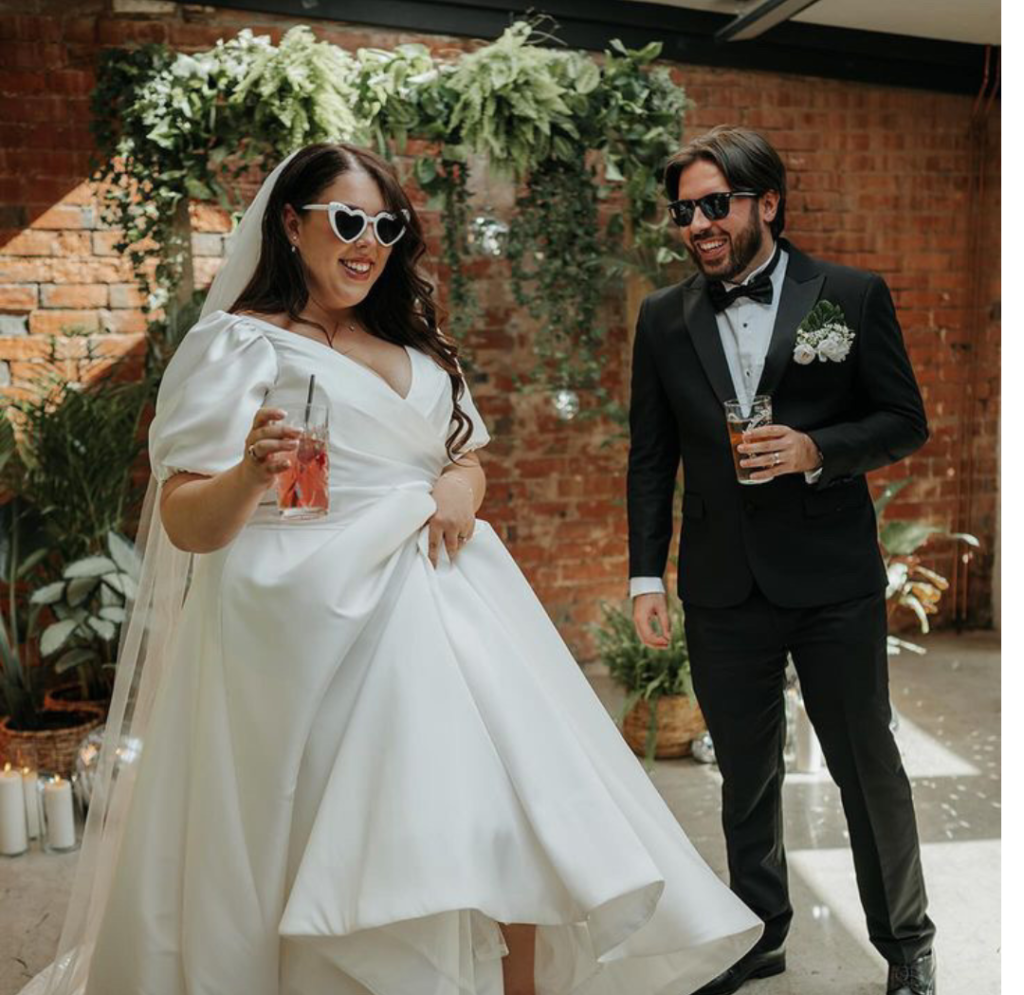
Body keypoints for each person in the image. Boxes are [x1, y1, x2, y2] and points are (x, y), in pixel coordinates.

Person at [19, 142, 762, 995]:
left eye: (384, 224)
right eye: (345, 220)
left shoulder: (419, 344)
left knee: (516, 815)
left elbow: (466, 458)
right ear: (292, 226)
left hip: (453, 602)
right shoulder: (238, 345)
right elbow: (186, 522)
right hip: (306, 619)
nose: (366, 241)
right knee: (372, 846)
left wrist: (457, 484)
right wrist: (250, 472)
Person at [627, 125, 936, 995]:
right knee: (744, 774)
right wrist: (645, 573)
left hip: (833, 583)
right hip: (723, 585)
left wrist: (816, 450)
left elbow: (903, 421)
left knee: (866, 767)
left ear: (767, 203)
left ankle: (908, 942)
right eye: (684, 211)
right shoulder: (662, 316)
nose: (697, 225)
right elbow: (650, 455)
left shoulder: (851, 294)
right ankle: (760, 932)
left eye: (714, 205)